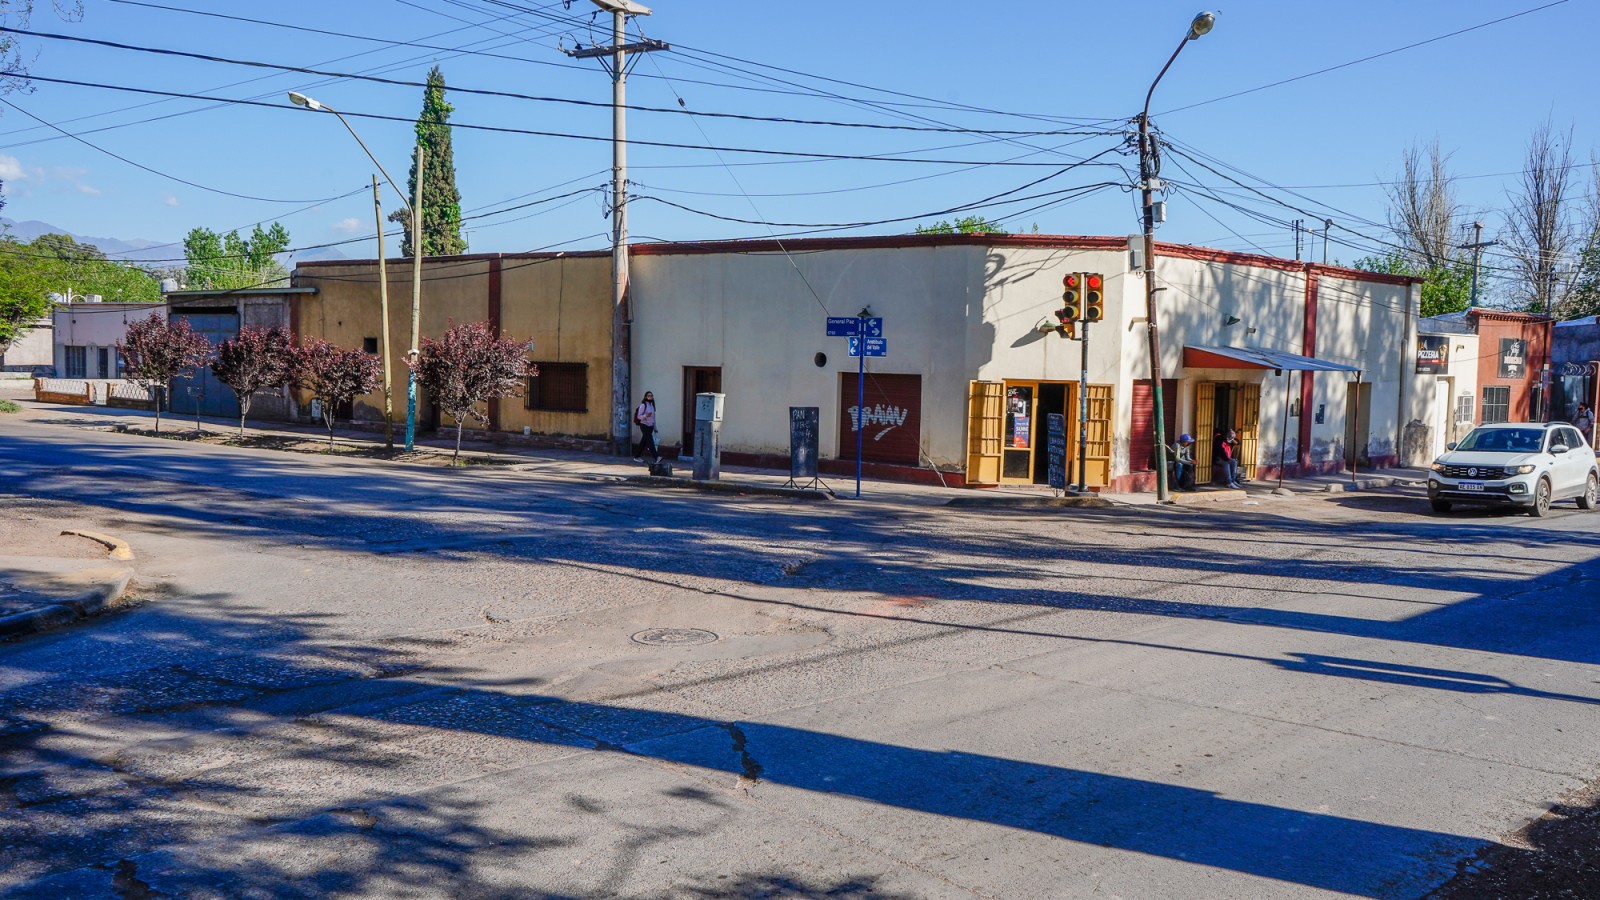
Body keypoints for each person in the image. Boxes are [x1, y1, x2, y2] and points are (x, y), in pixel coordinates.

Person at [633, 391, 659, 463]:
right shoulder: (643, 405)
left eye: (651, 396)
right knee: (650, 442)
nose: (650, 397)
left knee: (643, 442)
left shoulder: (652, 406)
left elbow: (654, 418)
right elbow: (639, 417)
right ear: (645, 397)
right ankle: (656, 457)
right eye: (648, 395)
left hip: (650, 426)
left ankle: (637, 456)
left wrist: (655, 428)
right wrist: (645, 416)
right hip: (644, 425)